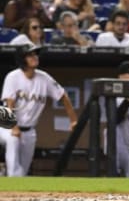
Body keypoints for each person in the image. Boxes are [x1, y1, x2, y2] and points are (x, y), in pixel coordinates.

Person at [0, 44, 78, 176]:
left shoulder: (44, 78)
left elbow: (63, 96)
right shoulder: (13, 76)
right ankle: (12, 180)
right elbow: (9, 103)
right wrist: (13, 127)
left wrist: (73, 120)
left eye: (35, 54)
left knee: (23, 171)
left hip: (29, 130)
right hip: (6, 125)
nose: (35, 57)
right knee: (13, 141)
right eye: (30, 55)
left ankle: (10, 186)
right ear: (22, 59)